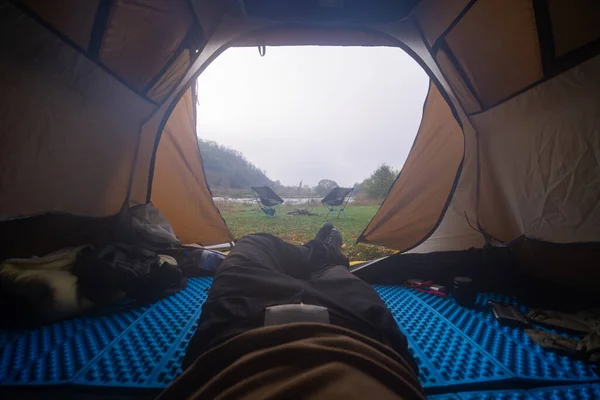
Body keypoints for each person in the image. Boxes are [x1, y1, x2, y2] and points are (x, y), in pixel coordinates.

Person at [158, 223, 426, 399]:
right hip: (361, 336)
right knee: (335, 272)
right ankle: (325, 256)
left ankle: (314, 255)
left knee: (254, 243)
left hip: (234, 333)